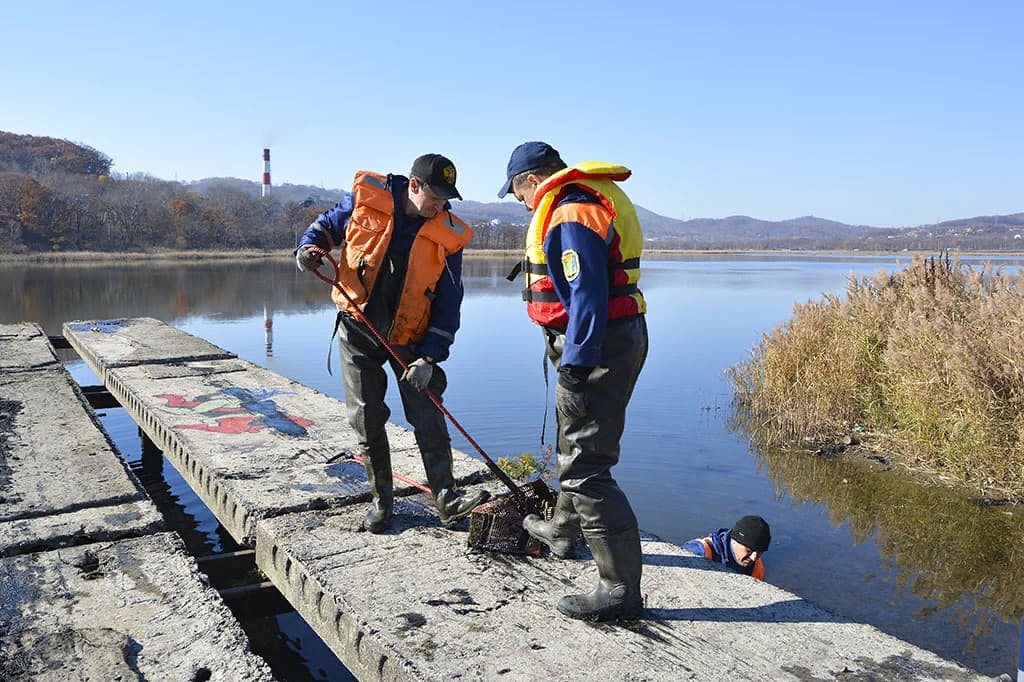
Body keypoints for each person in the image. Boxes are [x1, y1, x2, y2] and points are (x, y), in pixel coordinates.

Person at [295, 153, 489, 533]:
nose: (440, 206)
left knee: (428, 413)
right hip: (358, 325)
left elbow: (450, 302)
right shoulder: (365, 200)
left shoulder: (448, 235)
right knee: (366, 418)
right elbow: (322, 231)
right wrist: (308, 251)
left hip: (411, 336)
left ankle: (448, 500)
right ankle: (382, 501)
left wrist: (430, 357)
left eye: (446, 198)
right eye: (434, 197)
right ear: (413, 186)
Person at [499, 141, 649, 621]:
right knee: (572, 442)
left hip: (597, 346)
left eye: (519, 193)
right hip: (605, 340)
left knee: (587, 468)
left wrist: (577, 364)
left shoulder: (571, 211)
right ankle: (564, 530)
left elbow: (587, 294)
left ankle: (620, 591)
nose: (523, 204)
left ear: (531, 181)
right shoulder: (580, 201)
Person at [682, 515, 771, 581]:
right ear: (734, 540)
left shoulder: (756, 568)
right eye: (749, 551)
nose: (754, 558)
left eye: (759, 553)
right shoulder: (699, 552)